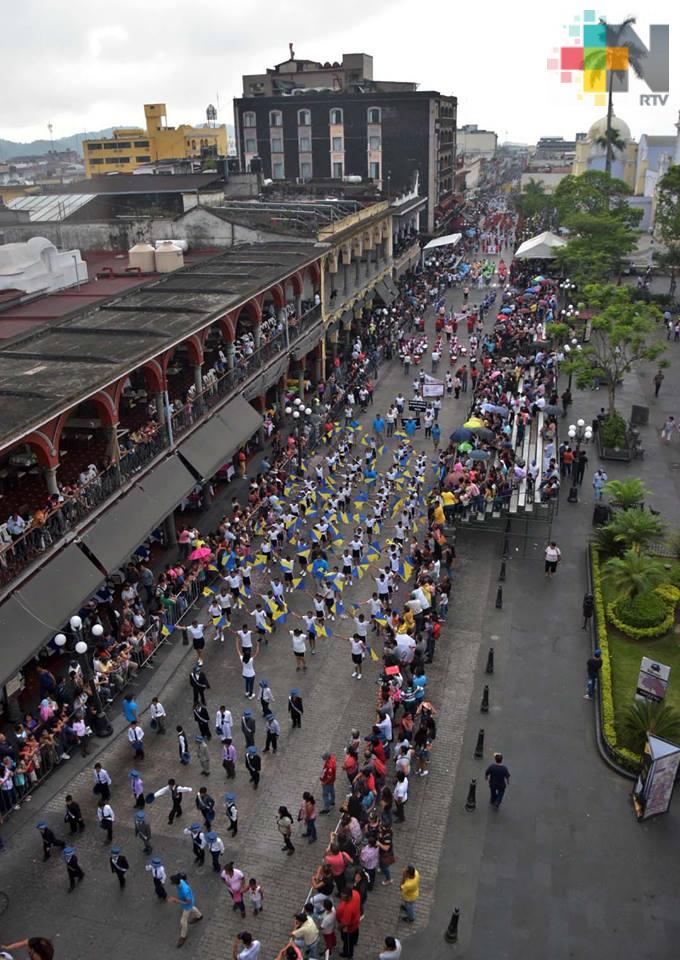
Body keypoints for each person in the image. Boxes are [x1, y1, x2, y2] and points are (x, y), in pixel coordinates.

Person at [168, 873, 203, 947]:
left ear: (175, 882)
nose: (171, 883)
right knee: (192, 908)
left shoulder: (185, 890)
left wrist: (176, 900)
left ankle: (183, 936)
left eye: (172, 882)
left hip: (187, 904)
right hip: (188, 903)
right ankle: (199, 916)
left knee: (183, 921)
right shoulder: (180, 881)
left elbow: (188, 902)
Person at [335, 887, 362, 958]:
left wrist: (339, 928)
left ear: (349, 897)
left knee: (348, 942)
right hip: (356, 920)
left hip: (349, 928)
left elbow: (344, 923)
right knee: (356, 932)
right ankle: (355, 941)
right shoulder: (355, 893)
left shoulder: (348, 909)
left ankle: (348, 954)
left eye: (343, 897)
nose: (341, 898)